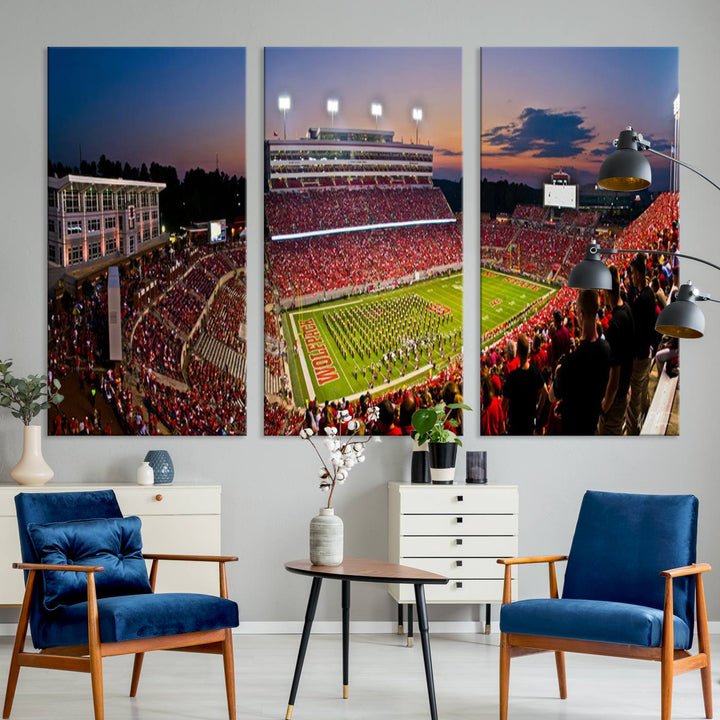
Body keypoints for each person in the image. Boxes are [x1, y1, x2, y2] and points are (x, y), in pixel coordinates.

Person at [550, 289, 611, 435]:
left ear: (580, 316)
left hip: (573, 431)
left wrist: (558, 371)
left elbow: (552, 396)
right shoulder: (607, 350)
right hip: (593, 424)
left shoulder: (570, 363)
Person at [598, 266, 635, 435]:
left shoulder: (614, 325)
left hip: (616, 398)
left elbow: (614, 375)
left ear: (606, 291)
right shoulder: (627, 309)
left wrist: (605, 406)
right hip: (626, 388)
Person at [626, 253, 657, 434]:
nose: (631, 277)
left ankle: (634, 433)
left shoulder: (643, 298)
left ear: (638, 273)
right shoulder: (648, 294)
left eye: (632, 273)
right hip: (646, 352)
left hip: (640, 356)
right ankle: (648, 414)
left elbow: (633, 326)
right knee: (643, 391)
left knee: (633, 402)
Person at [503, 334, 545, 435]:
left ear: (517, 352)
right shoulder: (536, 372)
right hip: (529, 423)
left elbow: (503, 405)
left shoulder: (512, 376)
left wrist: (504, 422)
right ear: (529, 351)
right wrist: (538, 410)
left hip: (515, 425)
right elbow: (545, 392)